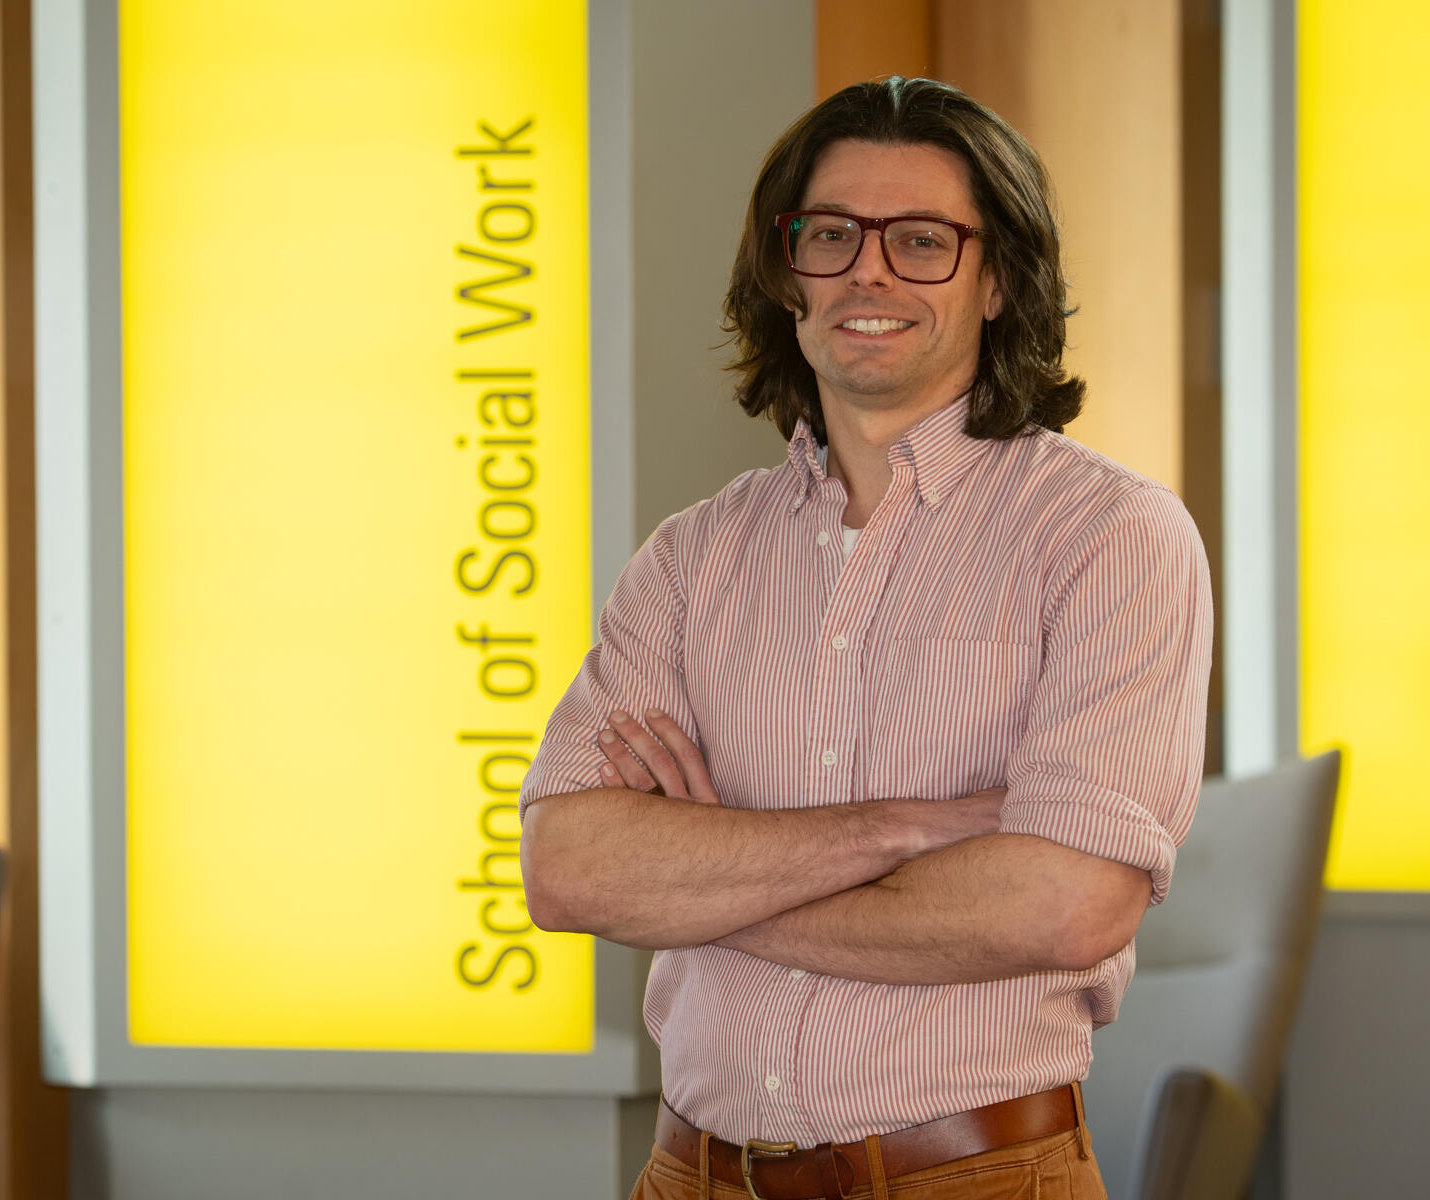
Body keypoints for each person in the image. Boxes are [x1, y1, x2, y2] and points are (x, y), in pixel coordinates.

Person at [519, 76, 1212, 1200]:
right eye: (831, 235)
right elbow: (570, 871)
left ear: (997, 281)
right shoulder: (691, 559)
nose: (869, 272)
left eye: (923, 240)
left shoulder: (1111, 538)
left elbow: (1068, 905)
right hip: (688, 1178)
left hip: (974, 1180)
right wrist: (905, 830)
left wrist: (711, 871)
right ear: (786, 273)